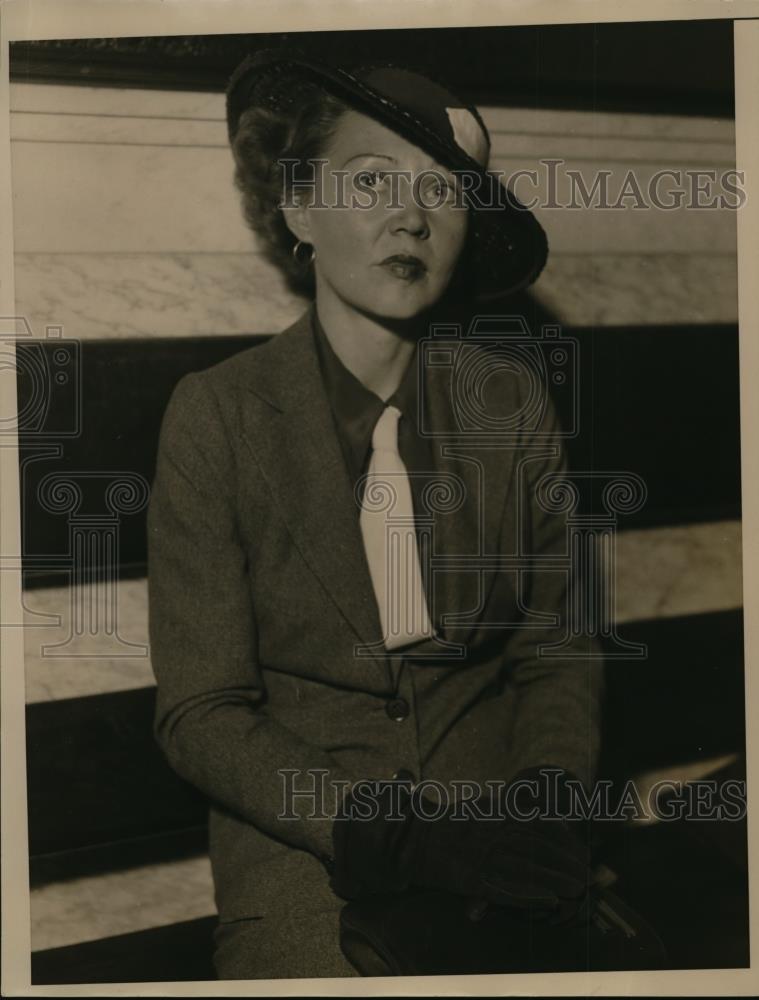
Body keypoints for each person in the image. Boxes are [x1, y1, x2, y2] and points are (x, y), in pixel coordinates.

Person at [146, 49, 607, 980]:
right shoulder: (218, 416)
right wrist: (380, 831)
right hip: (312, 852)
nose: (411, 215)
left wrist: (546, 799)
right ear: (298, 207)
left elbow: (558, 646)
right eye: (371, 180)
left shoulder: (508, 403)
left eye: (442, 191)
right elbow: (201, 712)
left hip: (500, 845)